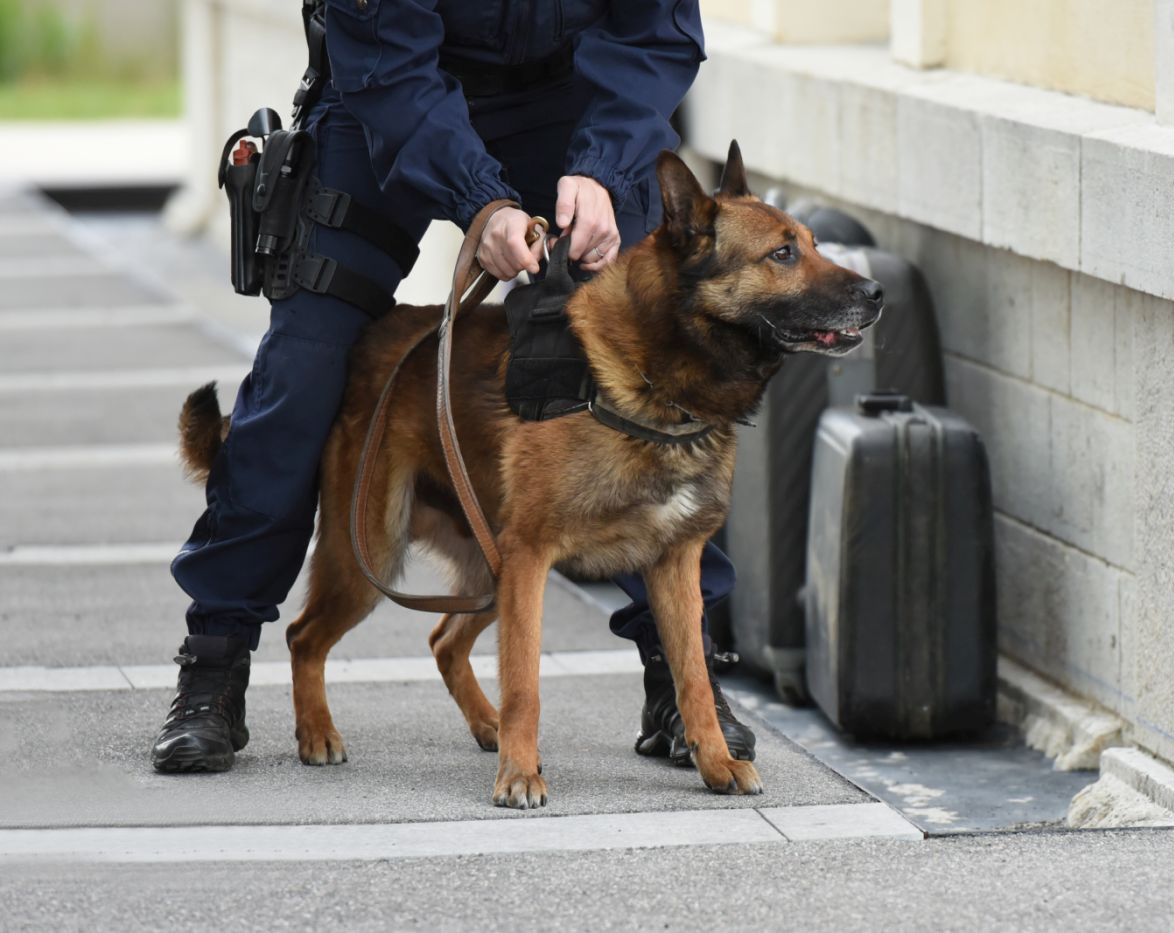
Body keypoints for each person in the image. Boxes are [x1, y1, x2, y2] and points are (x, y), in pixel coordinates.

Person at [151, 0, 755, 774]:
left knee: (666, 344)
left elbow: (653, 33)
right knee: (305, 365)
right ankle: (215, 658)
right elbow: (388, 58)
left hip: (570, 102)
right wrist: (483, 200)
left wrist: (605, 169)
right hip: (390, 96)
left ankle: (680, 681)